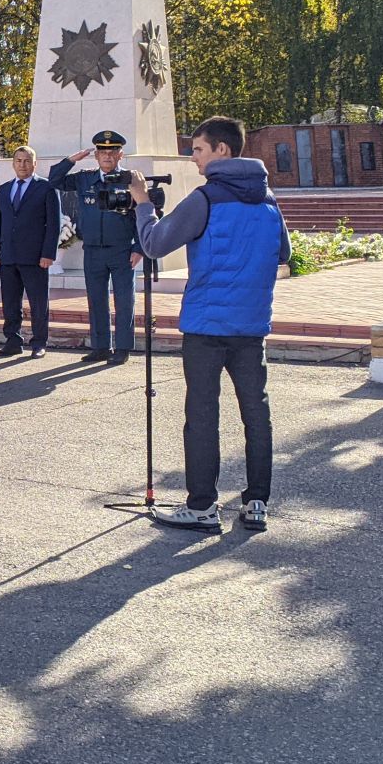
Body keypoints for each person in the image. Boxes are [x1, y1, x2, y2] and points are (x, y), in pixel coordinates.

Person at [131, 117, 290, 533]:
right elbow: (282, 252)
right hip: (251, 326)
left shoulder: (206, 198)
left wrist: (143, 205)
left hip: (206, 325)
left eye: (198, 149)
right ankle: (256, 503)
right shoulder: (268, 200)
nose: (194, 158)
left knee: (202, 415)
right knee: (257, 415)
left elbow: (153, 243)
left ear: (222, 150)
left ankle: (202, 506)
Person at [49, 131, 145, 365]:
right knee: (96, 300)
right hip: (92, 250)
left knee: (124, 301)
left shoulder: (131, 179)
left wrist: (139, 247)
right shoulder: (85, 179)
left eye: (113, 151)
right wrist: (71, 160)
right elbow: (53, 180)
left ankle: (122, 347)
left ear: (120, 154)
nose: (108, 155)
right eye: (103, 151)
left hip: (122, 250)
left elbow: (142, 214)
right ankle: (101, 347)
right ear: (96, 155)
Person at [0, 146, 61, 359]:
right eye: (18, 160)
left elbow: (54, 224)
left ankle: (39, 342)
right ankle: (12, 341)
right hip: (9, 256)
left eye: (27, 161)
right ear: (13, 163)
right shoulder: (4, 189)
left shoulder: (46, 188)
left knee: (38, 302)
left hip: (35, 257)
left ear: (34, 164)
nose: (22, 165)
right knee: (10, 302)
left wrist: (48, 253)